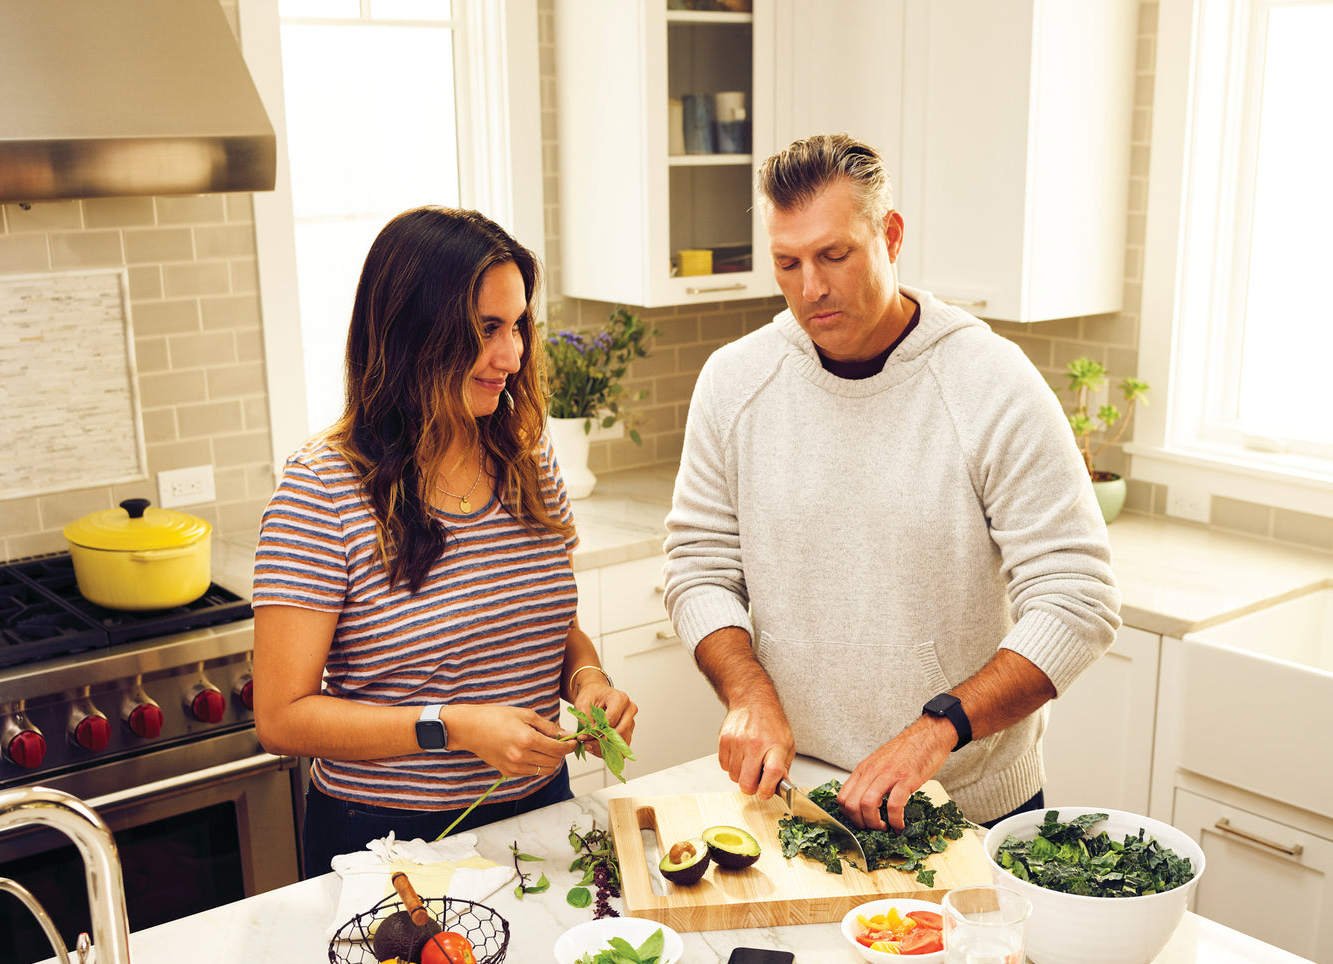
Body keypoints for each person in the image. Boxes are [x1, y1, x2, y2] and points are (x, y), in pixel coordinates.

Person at [663, 134, 1120, 833]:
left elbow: (1078, 597)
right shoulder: (734, 381)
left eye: (834, 255)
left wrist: (939, 729)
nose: (810, 288)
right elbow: (698, 570)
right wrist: (748, 690)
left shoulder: (991, 383)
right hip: (798, 800)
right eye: (787, 263)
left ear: (892, 235)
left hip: (969, 809)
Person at [253, 206, 637, 877]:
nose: (513, 355)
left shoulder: (527, 459)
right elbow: (282, 717)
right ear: (413, 334)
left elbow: (550, 625)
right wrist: (451, 726)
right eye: (487, 329)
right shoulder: (321, 490)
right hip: (387, 843)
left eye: (518, 326)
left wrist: (588, 680)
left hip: (536, 816)